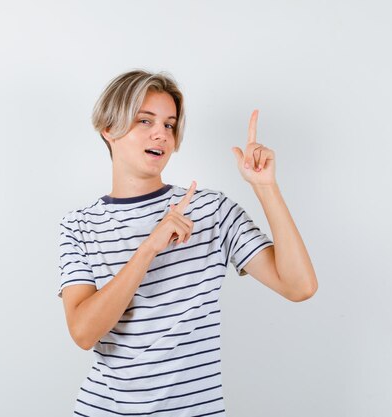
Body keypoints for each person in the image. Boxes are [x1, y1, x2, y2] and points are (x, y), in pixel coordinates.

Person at [57, 69, 318, 416]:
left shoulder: (211, 210)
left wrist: (265, 187)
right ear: (109, 129)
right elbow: (84, 333)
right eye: (144, 121)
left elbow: (299, 286)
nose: (160, 134)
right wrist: (149, 247)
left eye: (169, 124)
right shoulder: (79, 226)